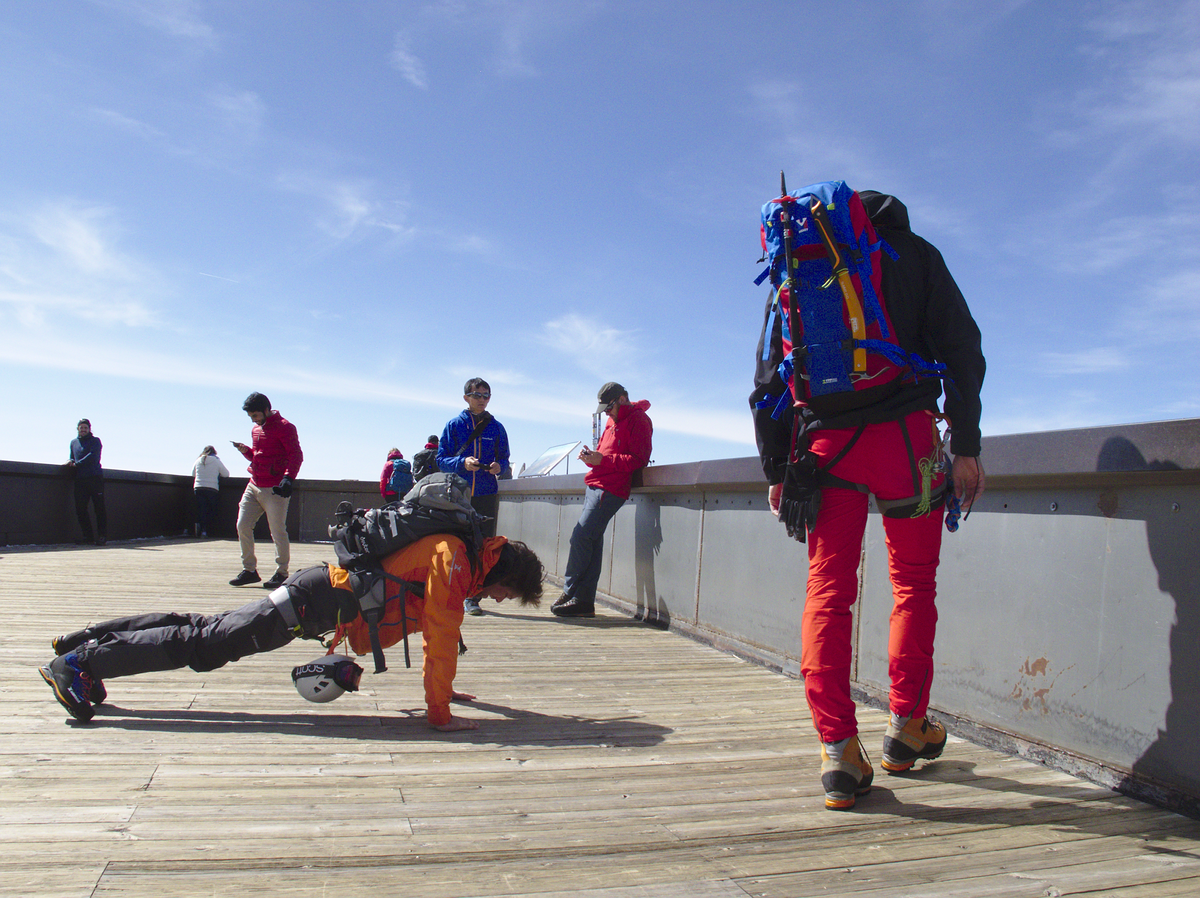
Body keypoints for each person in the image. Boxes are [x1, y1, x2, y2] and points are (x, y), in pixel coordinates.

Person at [749, 188, 986, 810]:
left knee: (829, 591)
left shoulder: (799, 267)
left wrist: (778, 466)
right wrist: (964, 442)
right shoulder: (913, 253)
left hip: (825, 450)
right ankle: (908, 727)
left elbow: (768, 375)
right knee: (913, 585)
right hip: (906, 443)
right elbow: (963, 348)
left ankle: (837, 751)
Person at [40, 537, 544, 731]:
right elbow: (440, 630)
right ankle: (80, 666)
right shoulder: (456, 561)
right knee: (208, 646)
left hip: (317, 592)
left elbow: (439, 631)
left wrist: (448, 691)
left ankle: (85, 641)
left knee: (204, 629)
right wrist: (440, 714)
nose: (500, 601)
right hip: (311, 601)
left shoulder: (461, 555)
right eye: (507, 594)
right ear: (506, 577)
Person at [551, 383, 653, 619]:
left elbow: (639, 459)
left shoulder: (640, 420)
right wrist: (591, 458)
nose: (607, 413)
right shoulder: (611, 420)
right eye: (604, 409)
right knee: (591, 540)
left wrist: (602, 460)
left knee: (581, 535)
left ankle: (572, 592)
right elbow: (604, 454)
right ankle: (584, 602)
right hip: (595, 484)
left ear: (622, 399)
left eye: (609, 407)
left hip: (612, 488)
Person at [437, 378, 511, 615]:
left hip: (486, 494)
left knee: (483, 546)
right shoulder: (453, 425)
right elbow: (441, 460)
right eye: (477, 395)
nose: (482, 400)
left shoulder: (497, 427)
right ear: (466, 397)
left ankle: (474, 596)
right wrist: (462, 462)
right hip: (459, 495)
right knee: (456, 544)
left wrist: (499, 466)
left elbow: (505, 458)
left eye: (486, 395)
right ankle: (450, 591)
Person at [229, 392, 303, 590]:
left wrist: (288, 478)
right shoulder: (256, 430)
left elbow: (296, 454)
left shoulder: (286, 427)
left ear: (266, 410)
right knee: (242, 525)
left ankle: (281, 573)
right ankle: (249, 570)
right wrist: (247, 452)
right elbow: (259, 457)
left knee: (277, 531)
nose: (253, 420)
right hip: (254, 484)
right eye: (251, 416)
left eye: (255, 415)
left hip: (274, 488)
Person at [67, 418, 107, 546]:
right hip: (80, 479)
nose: (83, 430)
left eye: (85, 428)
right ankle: (88, 536)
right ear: (78, 429)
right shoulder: (73, 442)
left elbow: (93, 456)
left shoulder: (95, 441)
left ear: (89, 429)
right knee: (80, 509)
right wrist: (70, 462)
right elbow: (72, 457)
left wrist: (77, 464)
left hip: (95, 478)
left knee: (99, 508)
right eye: (81, 428)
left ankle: (102, 536)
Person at [192, 446, 230, 538]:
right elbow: (226, 474)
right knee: (212, 509)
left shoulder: (198, 460)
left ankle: (200, 528)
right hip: (212, 488)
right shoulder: (216, 461)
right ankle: (207, 530)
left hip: (198, 488)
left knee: (201, 509)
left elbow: (193, 474)